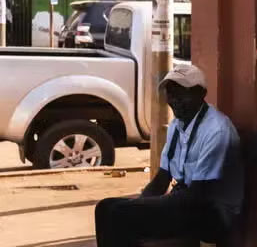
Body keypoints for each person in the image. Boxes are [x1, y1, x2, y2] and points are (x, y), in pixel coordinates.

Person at [95, 64, 243, 246]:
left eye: (182, 93)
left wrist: (142, 210)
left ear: (200, 94)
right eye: (171, 93)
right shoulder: (177, 125)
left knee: (121, 214)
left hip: (213, 212)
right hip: (186, 201)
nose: (175, 100)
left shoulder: (217, 130)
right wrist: (140, 205)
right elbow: (162, 179)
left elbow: (198, 194)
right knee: (105, 207)